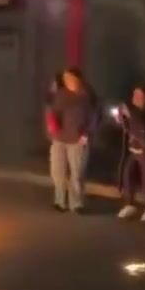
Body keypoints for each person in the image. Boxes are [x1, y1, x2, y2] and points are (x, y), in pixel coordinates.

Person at [46, 68, 99, 213]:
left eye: (69, 78)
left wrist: (86, 134)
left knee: (77, 173)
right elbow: (53, 111)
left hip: (77, 139)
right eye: (65, 78)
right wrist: (52, 124)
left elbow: (94, 117)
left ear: (78, 79)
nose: (67, 81)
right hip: (59, 138)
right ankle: (59, 201)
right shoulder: (61, 94)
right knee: (57, 172)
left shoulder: (86, 96)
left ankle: (76, 203)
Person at [116, 86, 145, 222]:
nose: (135, 98)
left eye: (140, 95)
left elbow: (143, 127)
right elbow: (127, 127)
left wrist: (130, 115)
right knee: (128, 174)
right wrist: (122, 117)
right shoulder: (133, 111)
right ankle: (129, 204)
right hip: (134, 149)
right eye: (134, 94)